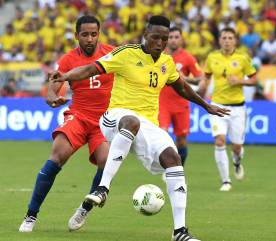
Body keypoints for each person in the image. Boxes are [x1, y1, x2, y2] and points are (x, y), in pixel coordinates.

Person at [51, 15, 229, 241]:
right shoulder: (125, 53)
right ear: (146, 35)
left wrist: (206, 106)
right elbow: (90, 70)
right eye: (155, 37)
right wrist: (65, 76)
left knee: (173, 159)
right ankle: (102, 189)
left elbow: (182, 87)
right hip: (114, 117)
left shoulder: (167, 63)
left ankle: (180, 231)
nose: (160, 42)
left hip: (147, 125)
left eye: (164, 39)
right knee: (131, 121)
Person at [19, 15, 114, 232]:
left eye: (94, 34)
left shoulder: (112, 53)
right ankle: (31, 215)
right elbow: (52, 86)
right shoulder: (68, 59)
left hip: (104, 121)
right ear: (76, 36)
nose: (90, 39)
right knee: (57, 155)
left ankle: (84, 208)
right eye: (85, 34)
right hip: (78, 116)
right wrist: (52, 97)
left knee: (106, 161)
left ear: (98, 34)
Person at [198, 27, 257, 192]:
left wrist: (239, 81)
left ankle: (237, 162)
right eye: (224, 37)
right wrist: (202, 85)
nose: (227, 40)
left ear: (235, 40)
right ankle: (225, 181)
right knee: (219, 140)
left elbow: (254, 80)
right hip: (218, 106)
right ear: (219, 40)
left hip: (238, 108)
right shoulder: (212, 57)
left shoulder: (243, 58)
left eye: (230, 38)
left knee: (237, 147)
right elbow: (207, 76)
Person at [159, 26, 202, 166]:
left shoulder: (188, 58)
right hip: (162, 103)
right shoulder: (159, 55)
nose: (173, 40)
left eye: (176, 37)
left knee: (181, 140)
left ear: (181, 39)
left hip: (181, 103)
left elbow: (199, 78)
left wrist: (185, 78)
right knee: (163, 135)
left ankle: (178, 169)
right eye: (170, 37)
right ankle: (166, 167)